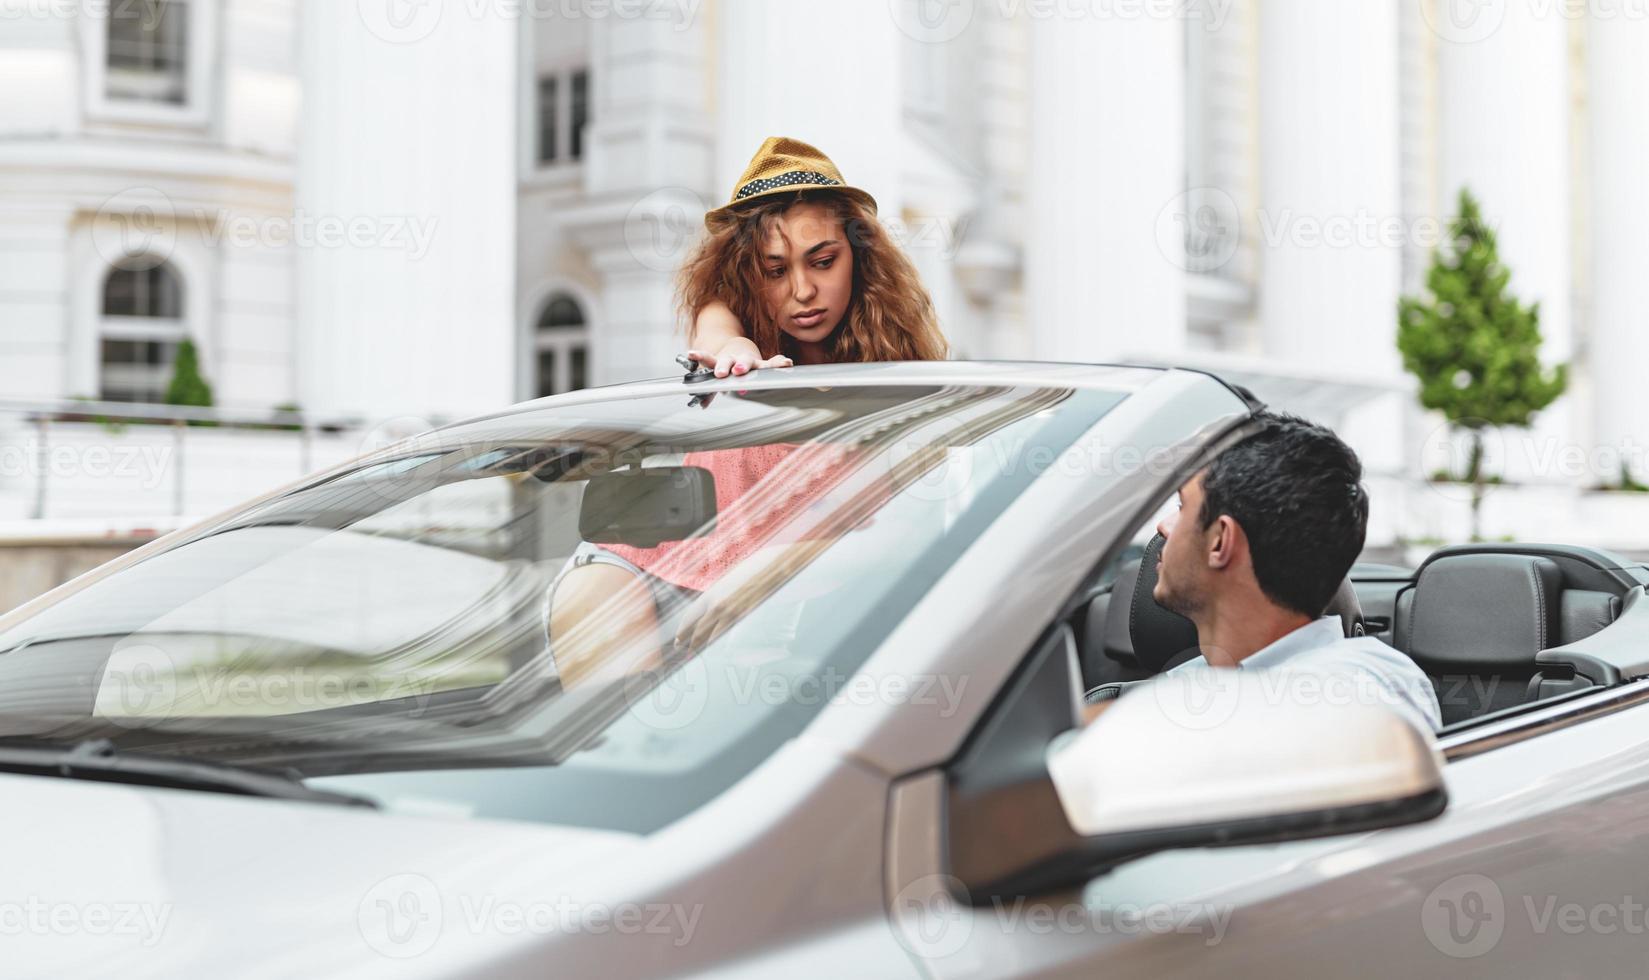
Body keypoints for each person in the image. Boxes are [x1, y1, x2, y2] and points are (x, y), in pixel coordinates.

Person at [545, 136, 948, 689]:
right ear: (746, 274)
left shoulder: (899, 383)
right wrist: (735, 355)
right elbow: (716, 330)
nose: (803, 291)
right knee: (619, 742)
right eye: (774, 270)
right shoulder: (734, 328)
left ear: (861, 256)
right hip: (650, 576)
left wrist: (770, 571)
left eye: (823, 261)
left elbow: (909, 530)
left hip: (802, 610)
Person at [1089, 411, 1441, 732]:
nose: (1164, 527)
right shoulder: (1178, 688)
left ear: (1220, 542)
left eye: (1182, 508)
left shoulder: (1365, 682)